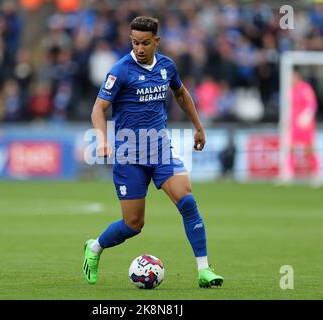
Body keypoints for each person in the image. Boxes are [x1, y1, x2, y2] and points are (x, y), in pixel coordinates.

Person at [83, 16, 223, 288]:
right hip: (129, 156)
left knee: (187, 200)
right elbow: (98, 108)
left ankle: (204, 270)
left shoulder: (167, 66)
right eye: (135, 42)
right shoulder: (120, 70)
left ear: (156, 41)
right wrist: (101, 139)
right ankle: (95, 247)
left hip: (159, 149)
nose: (140, 48)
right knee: (133, 225)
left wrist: (198, 126)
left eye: (145, 43)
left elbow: (181, 94)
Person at [282, 69, 320, 184]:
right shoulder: (290, 90)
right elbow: (288, 107)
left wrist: (306, 116)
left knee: (309, 149)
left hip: (306, 124)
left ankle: (315, 173)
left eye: (293, 76)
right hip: (294, 124)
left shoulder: (306, 88)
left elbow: (312, 104)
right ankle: (289, 172)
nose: (291, 79)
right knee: (291, 148)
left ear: (298, 76)